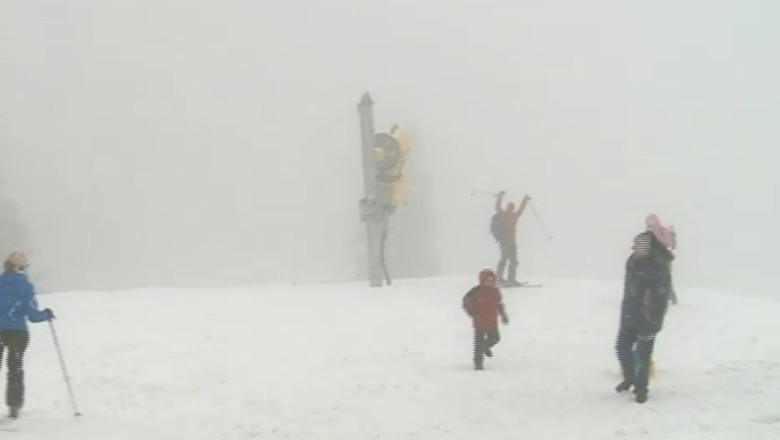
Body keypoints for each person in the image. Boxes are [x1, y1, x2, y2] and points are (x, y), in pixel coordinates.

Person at [614, 232, 673, 403]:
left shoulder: (659, 268)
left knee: (642, 355)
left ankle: (641, 389)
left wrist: (653, 322)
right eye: (634, 246)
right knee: (621, 348)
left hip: (648, 320)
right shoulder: (632, 261)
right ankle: (629, 377)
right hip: (629, 315)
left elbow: (661, 299)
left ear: (647, 248)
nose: (634, 249)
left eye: (638, 247)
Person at [0, 251, 54, 419]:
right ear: (22, 267)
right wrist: (46, 315)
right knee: (15, 369)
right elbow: (32, 314)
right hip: (17, 332)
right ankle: (14, 406)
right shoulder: (25, 286)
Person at [462, 269, 509, 370]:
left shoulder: (495, 291)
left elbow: (499, 304)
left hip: (492, 321)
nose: (489, 282)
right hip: (479, 322)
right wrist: (471, 312)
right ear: (481, 280)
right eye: (486, 280)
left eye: (491, 280)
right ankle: (478, 363)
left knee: (495, 338)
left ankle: (485, 347)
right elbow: (465, 301)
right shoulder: (475, 291)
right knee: (478, 343)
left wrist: (503, 315)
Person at [491, 191, 531, 287]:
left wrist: (500, 196)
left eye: (512, 207)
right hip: (506, 241)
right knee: (507, 260)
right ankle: (503, 279)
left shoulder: (510, 215)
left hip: (510, 242)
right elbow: (521, 209)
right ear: (509, 208)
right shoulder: (508, 215)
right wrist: (525, 199)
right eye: (511, 207)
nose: (511, 209)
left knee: (510, 260)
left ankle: (507, 279)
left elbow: (520, 208)